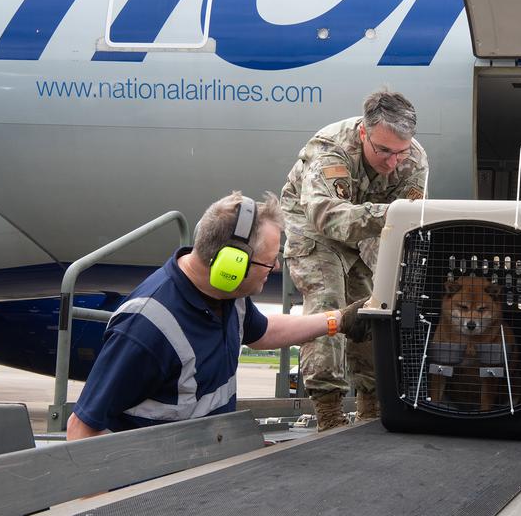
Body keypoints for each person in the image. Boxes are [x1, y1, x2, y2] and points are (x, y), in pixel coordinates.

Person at [66, 191, 367, 439]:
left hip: (200, 465)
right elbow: (81, 427)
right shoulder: (147, 327)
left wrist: (338, 320)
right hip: (154, 485)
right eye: (269, 261)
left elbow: (264, 332)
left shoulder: (229, 296)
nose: (276, 268)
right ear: (232, 265)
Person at [281, 90, 429, 430]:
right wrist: (391, 214)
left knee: (370, 310)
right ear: (364, 132)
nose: (393, 161)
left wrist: (386, 275)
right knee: (328, 305)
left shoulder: (414, 160)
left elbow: (405, 222)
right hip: (315, 227)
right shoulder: (330, 148)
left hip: (368, 231)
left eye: (401, 152)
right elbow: (327, 217)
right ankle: (328, 411)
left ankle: (371, 406)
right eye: (384, 151)